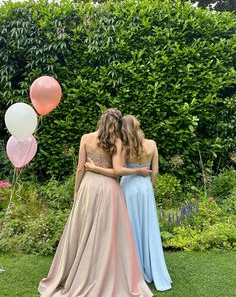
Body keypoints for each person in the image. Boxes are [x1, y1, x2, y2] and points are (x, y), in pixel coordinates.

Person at [38, 109, 153, 297]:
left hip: (88, 187)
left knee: (83, 230)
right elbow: (117, 172)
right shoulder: (117, 141)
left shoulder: (85, 138)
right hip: (110, 191)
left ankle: (80, 274)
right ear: (117, 124)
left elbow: (79, 168)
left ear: (101, 120)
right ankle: (104, 273)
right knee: (108, 235)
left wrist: (77, 191)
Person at [85, 114, 172, 292]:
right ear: (138, 126)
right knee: (147, 228)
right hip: (146, 188)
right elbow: (155, 171)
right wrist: (149, 186)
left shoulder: (124, 147)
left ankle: (133, 270)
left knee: (128, 229)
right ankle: (152, 269)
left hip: (129, 188)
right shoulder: (152, 144)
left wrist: (95, 169)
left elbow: (119, 171)